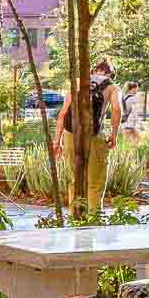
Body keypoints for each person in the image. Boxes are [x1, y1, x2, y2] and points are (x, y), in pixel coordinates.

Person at [55, 59, 122, 214]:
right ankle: (94, 218)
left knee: (75, 178)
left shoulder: (77, 82)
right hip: (95, 135)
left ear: (93, 70)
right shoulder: (112, 87)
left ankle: (75, 216)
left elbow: (63, 113)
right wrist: (114, 134)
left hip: (72, 134)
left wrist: (57, 141)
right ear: (111, 74)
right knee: (95, 181)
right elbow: (117, 110)